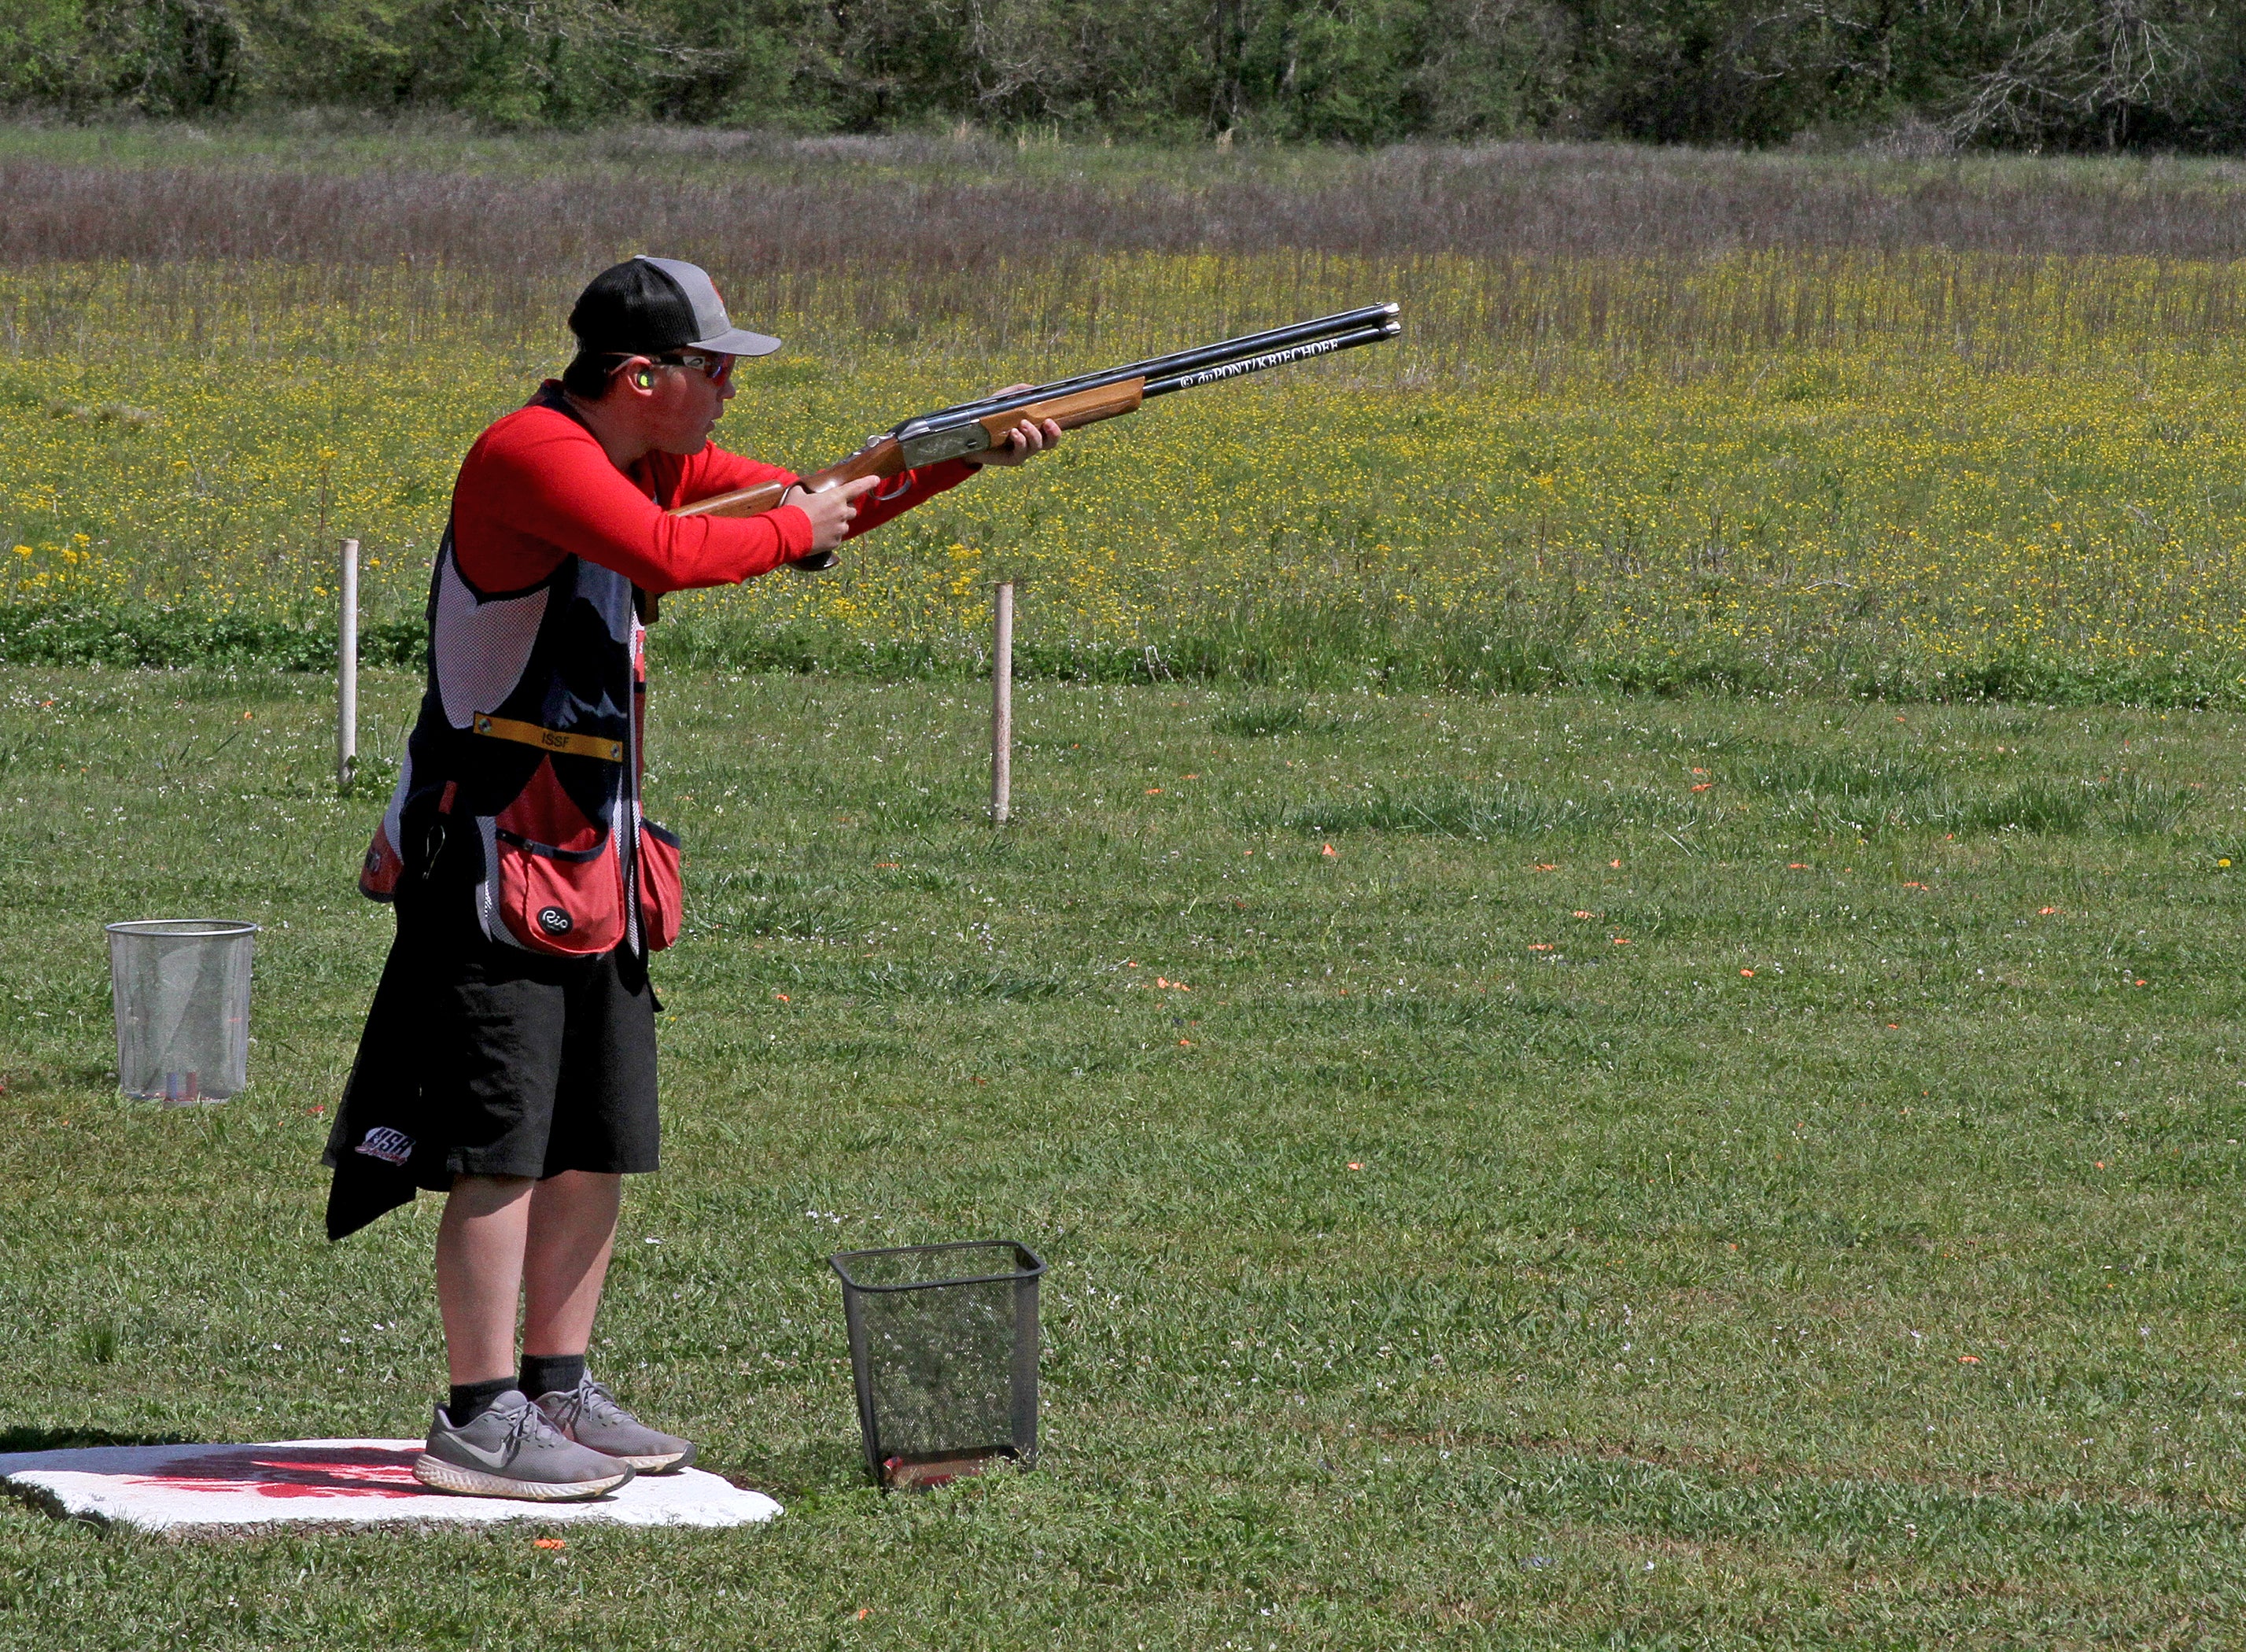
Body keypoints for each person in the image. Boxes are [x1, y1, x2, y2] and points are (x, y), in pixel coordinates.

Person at [323, 255, 1061, 1501]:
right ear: (641, 377)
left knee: (592, 1137)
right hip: (493, 853)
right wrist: (800, 525)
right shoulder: (533, 453)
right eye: (712, 368)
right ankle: (479, 1413)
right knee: (500, 1148)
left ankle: (558, 1386)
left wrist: (954, 452)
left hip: (594, 856)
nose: (728, 388)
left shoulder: (639, 457)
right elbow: (679, 550)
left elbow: (811, 496)